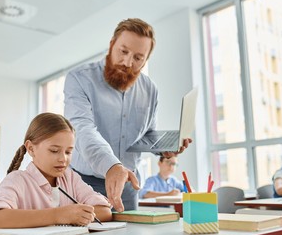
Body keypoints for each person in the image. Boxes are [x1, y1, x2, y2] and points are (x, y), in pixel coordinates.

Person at [64, 18, 192, 212]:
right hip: (84, 184)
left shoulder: (150, 89)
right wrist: (111, 165)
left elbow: (147, 134)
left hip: (129, 187)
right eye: (123, 51)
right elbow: (82, 131)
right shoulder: (80, 78)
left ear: (146, 60)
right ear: (111, 44)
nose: (127, 62)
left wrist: (165, 146)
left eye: (138, 57)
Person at [0, 113, 112, 230]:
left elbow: (105, 211)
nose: (63, 159)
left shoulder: (70, 178)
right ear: (31, 148)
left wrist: (75, 215)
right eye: (54, 151)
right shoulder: (17, 180)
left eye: (68, 152)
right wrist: (59, 215)